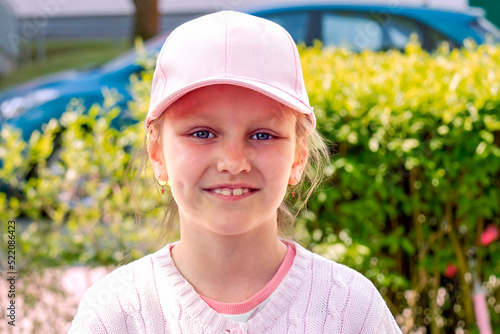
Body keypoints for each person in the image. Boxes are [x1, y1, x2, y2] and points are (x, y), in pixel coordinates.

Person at [68, 10, 402, 334]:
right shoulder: (114, 315)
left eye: (262, 135)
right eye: (202, 133)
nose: (233, 161)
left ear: (298, 156)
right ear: (157, 154)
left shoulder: (350, 309)